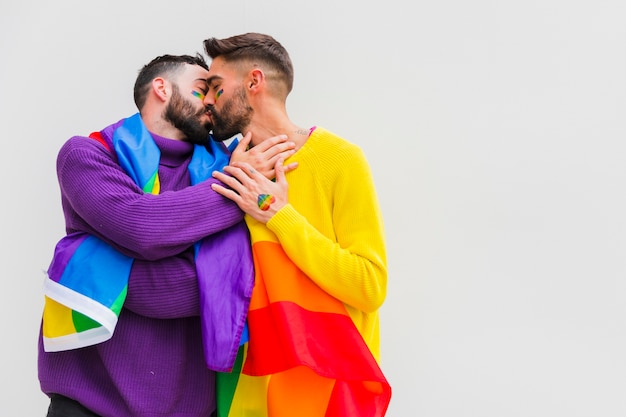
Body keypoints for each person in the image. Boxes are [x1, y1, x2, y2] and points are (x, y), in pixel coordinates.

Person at [38, 53, 297, 417]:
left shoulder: (236, 165)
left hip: (193, 408)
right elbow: (141, 227)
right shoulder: (88, 156)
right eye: (200, 89)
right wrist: (233, 191)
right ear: (162, 88)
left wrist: (120, 265)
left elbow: (240, 279)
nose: (210, 101)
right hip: (88, 404)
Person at [203, 33, 392, 416]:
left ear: (254, 82)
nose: (207, 100)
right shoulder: (223, 173)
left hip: (324, 392)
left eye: (217, 88)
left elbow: (368, 285)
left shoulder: (339, 159)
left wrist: (279, 216)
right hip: (243, 392)